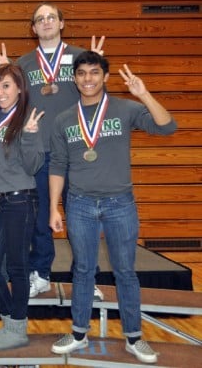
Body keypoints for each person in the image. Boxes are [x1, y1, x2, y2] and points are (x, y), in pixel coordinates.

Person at [49, 51, 176, 364]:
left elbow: (167, 127)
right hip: (78, 204)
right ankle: (79, 333)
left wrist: (144, 94)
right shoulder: (64, 119)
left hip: (120, 203)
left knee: (125, 272)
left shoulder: (125, 108)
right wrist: (54, 207)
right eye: (82, 73)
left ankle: (134, 337)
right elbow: (58, 165)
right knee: (82, 270)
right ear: (74, 78)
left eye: (95, 72)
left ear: (105, 77)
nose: (88, 79)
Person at [8, 2, 105, 299]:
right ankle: (41, 273)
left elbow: (99, 97)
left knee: (81, 217)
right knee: (40, 218)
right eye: (40, 19)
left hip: (76, 151)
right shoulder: (24, 63)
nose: (46, 22)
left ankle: (86, 279)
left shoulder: (81, 58)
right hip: (40, 152)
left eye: (52, 17)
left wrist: (98, 66)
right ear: (33, 28)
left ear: (61, 23)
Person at [0, 64, 44, 351]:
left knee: (17, 266)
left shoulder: (26, 120)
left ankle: (18, 326)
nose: (0, 92)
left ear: (19, 88)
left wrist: (29, 135)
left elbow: (33, 166)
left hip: (20, 199)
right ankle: (9, 320)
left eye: (6, 85)